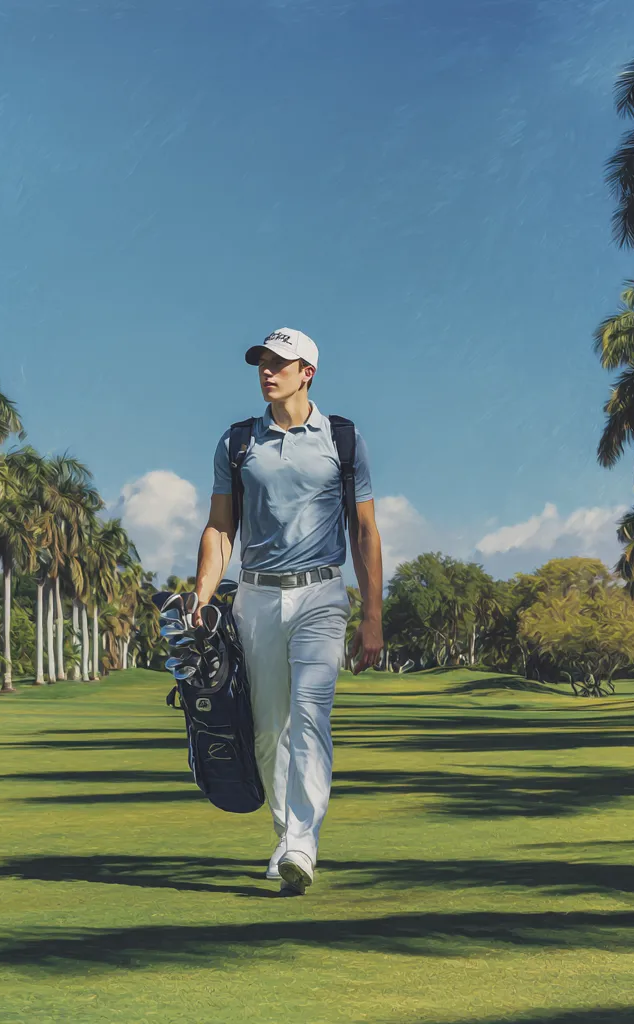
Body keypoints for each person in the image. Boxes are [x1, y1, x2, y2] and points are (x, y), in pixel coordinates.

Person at [191, 327, 384, 895]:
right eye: (262, 363)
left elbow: (366, 529)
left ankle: (303, 842)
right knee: (269, 727)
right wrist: (203, 595)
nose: (267, 371)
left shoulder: (342, 440)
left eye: (281, 363)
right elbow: (220, 527)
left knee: (309, 713)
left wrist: (372, 613)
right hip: (255, 596)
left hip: (323, 593)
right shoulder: (237, 442)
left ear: (308, 373)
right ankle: (285, 837)